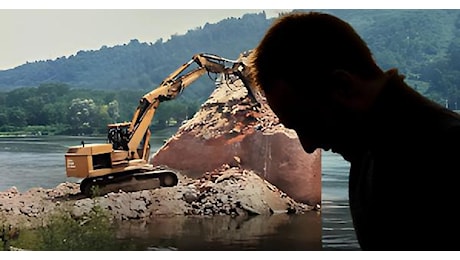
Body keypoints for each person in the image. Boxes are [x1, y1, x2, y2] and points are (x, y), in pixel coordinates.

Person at [247, 11, 460, 250]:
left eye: (307, 122)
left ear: (344, 86)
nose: (307, 145)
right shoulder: (371, 151)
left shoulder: (446, 154)